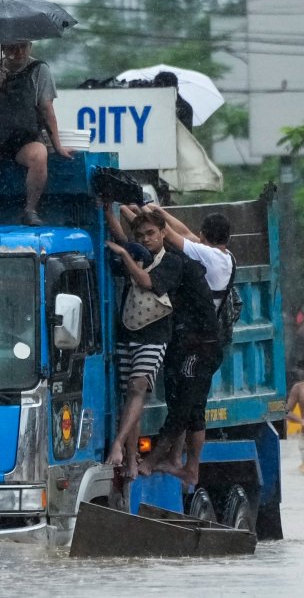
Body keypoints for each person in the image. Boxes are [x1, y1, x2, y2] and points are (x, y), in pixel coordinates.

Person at [129, 205, 234, 484]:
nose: (146, 238)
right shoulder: (223, 256)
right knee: (194, 410)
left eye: (151, 233)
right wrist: (151, 211)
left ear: (203, 235)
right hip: (202, 341)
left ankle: (155, 460)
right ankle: (186, 465)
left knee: (183, 408)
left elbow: (173, 235)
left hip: (199, 343)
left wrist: (143, 212)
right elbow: (181, 232)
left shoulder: (200, 257)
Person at [0, 40, 72, 227]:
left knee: (39, 156)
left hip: (25, 134)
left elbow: (46, 108)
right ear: (3, 49)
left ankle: (30, 210)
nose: (18, 52)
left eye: (23, 47)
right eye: (12, 47)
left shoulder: (39, 69)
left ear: (29, 47)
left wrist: (57, 145)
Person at [104, 210, 183, 479]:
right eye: (140, 236)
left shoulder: (172, 262)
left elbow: (146, 281)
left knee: (139, 387)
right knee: (130, 397)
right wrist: (108, 211)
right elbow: (121, 238)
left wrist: (125, 255)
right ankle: (130, 459)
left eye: (151, 233)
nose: (146, 239)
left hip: (155, 336)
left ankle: (118, 444)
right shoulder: (136, 253)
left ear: (163, 233)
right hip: (127, 332)